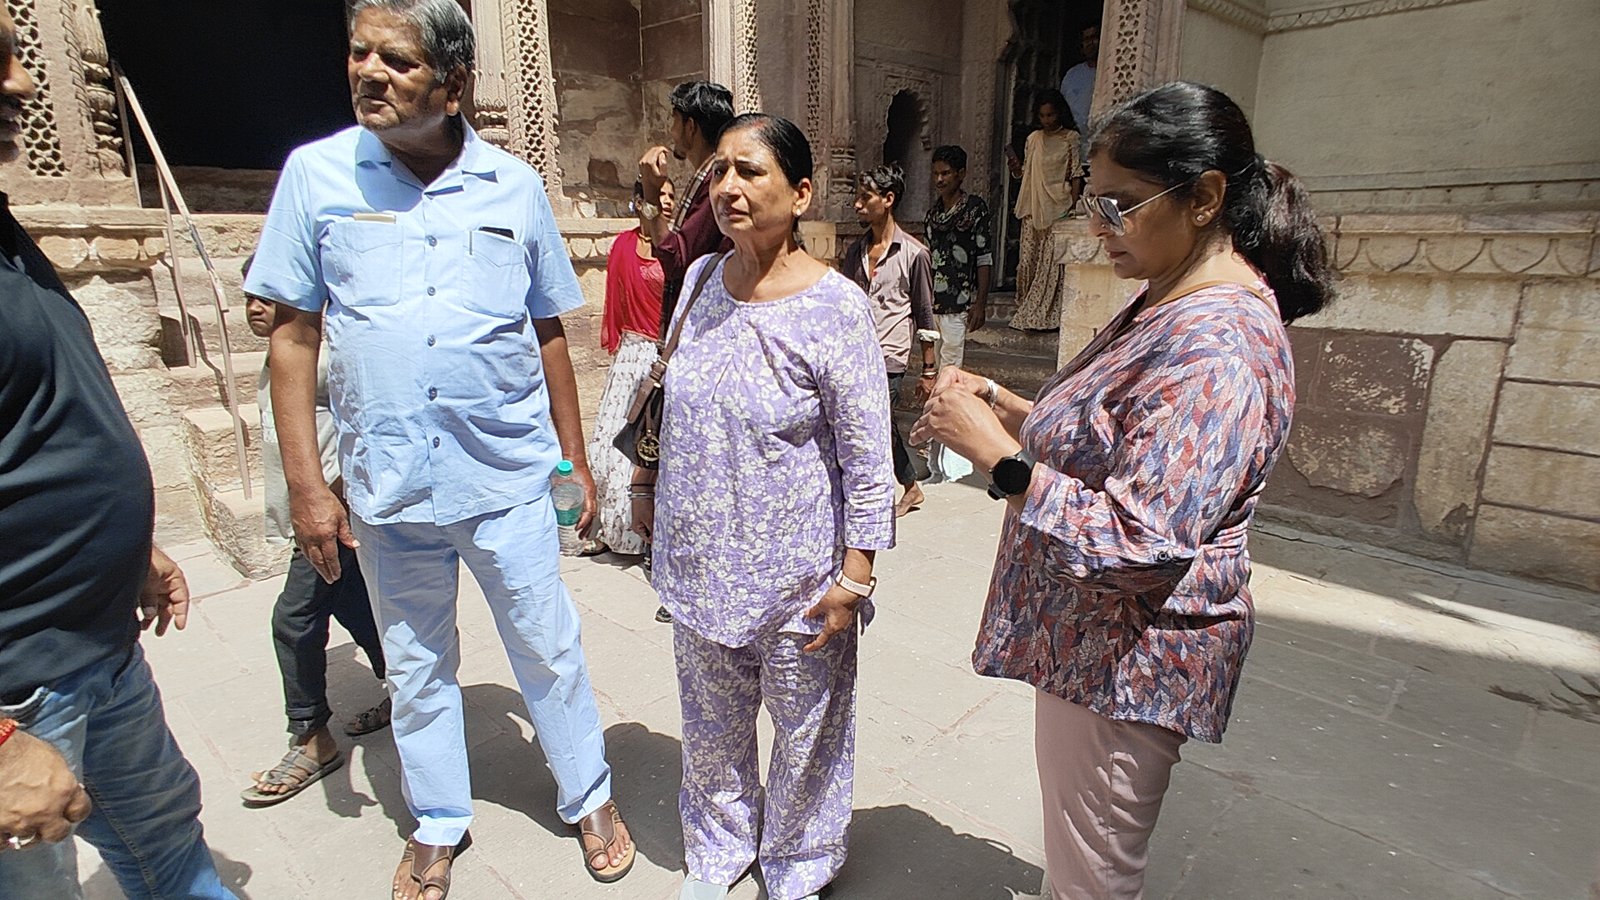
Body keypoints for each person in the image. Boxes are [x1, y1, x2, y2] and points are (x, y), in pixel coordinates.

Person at [244, 2, 633, 896]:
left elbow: (549, 331)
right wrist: (308, 488)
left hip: (503, 477)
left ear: (454, 85)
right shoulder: (316, 176)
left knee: (548, 648)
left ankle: (589, 795)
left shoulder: (513, 187)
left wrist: (573, 463)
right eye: (359, 53)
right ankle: (438, 821)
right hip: (388, 485)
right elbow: (293, 335)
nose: (368, 72)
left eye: (397, 60)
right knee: (417, 666)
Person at [913, 80, 1334, 899]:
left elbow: (1142, 543)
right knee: (1080, 861)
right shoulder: (1170, 298)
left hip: (1129, 661)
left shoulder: (1217, 346)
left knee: (1093, 879)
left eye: (1120, 205)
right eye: (1091, 202)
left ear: (1204, 198)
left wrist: (999, 460)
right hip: (1095, 648)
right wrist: (999, 400)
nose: (1097, 226)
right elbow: (1116, 435)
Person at [0, 8, 235, 896]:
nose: (23, 81)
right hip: (18, 695)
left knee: (166, 847)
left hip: (95, 648)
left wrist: (125, 547)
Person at [630, 114, 895, 900]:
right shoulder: (703, 282)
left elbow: (867, 458)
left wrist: (855, 576)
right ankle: (718, 851)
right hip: (698, 569)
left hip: (798, 581)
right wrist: (644, 485)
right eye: (719, 171)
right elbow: (668, 400)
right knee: (710, 729)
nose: (728, 187)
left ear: (801, 194)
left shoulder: (837, 308)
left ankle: (798, 864)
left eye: (750, 171)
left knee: (808, 735)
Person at [238, 258, 391, 807]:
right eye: (248, 297)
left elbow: (368, 424)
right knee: (353, 605)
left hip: (334, 513)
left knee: (294, 619)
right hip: (309, 519)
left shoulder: (326, 355)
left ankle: (311, 737)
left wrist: (335, 496)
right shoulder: (278, 355)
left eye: (266, 296)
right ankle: (406, 687)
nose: (254, 307)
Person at [638, 79, 734, 623]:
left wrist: (652, 192)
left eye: (674, 120)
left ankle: (693, 581)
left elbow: (674, 255)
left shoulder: (714, 179)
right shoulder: (707, 179)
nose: (670, 131)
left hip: (704, 336)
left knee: (695, 469)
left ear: (690, 125)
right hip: (701, 330)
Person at [840, 163, 938, 517]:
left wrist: (929, 370)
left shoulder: (915, 254)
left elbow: (924, 313)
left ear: (888, 199)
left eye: (866, 197)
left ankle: (897, 490)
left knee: (877, 423)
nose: (857, 204)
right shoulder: (855, 252)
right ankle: (909, 487)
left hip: (890, 355)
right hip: (855, 355)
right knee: (865, 423)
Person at [584, 179, 674, 557]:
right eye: (658, 195)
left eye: (670, 196)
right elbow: (616, 303)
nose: (666, 202)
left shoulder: (677, 249)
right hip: (631, 354)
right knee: (610, 445)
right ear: (639, 201)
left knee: (649, 446)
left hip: (663, 355)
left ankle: (647, 536)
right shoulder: (623, 245)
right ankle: (610, 529)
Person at [924, 145, 994, 482]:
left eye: (946, 173)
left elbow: (984, 257)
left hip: (959, 304)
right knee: (934, 375)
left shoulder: (975, 210)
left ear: (961, 174)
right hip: (933, 303)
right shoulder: (933, 214)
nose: (940, 179)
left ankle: (951, 456)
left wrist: (980, 302)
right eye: (936, 173)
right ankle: (936, 454)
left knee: (951, 378)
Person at [1008, 90, 1081, 332]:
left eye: (1050, 115)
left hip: (1059, 207)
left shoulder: (1070, 138)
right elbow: (1025, 173)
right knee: (1028, 261)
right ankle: (1027, 309)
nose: (1047, 120)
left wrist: (1074, 206)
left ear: (1060, 113)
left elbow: (1076, 173)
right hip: (1032, 206)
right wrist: (1015, 169)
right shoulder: (1033, 139)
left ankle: (1044, 316)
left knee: (1049, 264)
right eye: (1042, 116)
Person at [1058, 24, 1100, 140]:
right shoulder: (1072, 75)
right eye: (1086, 39)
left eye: (1094, 38)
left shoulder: (1110, 72)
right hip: (1073, 140)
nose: (1090, 43)